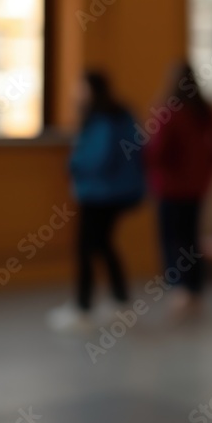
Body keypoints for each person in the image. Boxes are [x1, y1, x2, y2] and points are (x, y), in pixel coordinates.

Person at [49, 71, 145, 332]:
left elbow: (98, 157)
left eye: (80, 87)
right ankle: (120, 299)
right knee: (103, 245)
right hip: (115, 192)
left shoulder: (102, 118)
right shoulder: (120, 114)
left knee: (86, 248)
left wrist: (74, 163)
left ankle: (83, 308)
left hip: (100, 193)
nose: (75, 93)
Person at [144, 63, 212, 317]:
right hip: (196, 187)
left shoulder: (169, 112)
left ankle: (181, 290)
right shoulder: (203, 111)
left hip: (170, 187)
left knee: (172, 239)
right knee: (190, 239)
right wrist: (208, 164)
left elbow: (156, 151)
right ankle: (194, 289)